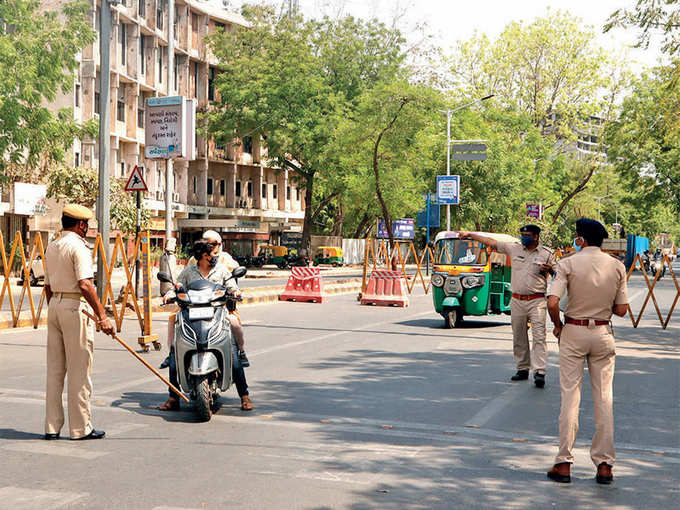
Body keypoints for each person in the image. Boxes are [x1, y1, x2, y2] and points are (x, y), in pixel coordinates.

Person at [546, 218, 628, 485]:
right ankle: (604, 465)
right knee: (605, 399)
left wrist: (558, 326)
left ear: (580, 239)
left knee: (571, 397)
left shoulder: (567, 263)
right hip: (603, 333)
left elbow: (553, 301)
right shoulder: (616, 266)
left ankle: (564, 463)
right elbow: (622, 309)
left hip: (574, 331)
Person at [43, 204, 116, 441]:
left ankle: (51, 427)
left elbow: (47, 286)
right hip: (75, 307)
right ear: (81, 225)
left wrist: (56, 308)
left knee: (55, 371)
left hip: (54, 306)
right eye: (86, 225)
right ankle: (80, 428)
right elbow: (85, 284)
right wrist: (102, 316)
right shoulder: (79, 247)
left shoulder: (52, 246)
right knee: (79, 371)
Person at [160, 240, 253, 412]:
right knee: (175, 357)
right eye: (214, 255)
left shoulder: (222, 271)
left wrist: (235, 292)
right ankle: (173, 397)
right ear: (204, 256)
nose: (216, 257)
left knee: (233, 356)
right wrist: (170, 294)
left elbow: (231, 285)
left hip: (216, 315)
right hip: (192, 316)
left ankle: (244, 395)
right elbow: (178, 287)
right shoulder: (189, 272)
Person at [460, 225, 556, 388]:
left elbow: (558, 272)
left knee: (539, 336)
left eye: (527, 235)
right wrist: (470, 234)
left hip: (537, 300)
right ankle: (522, 368)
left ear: (536, 237)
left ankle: (539, 371)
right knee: (519, 335)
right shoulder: (514, 248)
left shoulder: (546, 254)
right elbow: (491, 242)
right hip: (517, 300)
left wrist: (550, 269)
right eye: (522, 234)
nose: (524, 237)